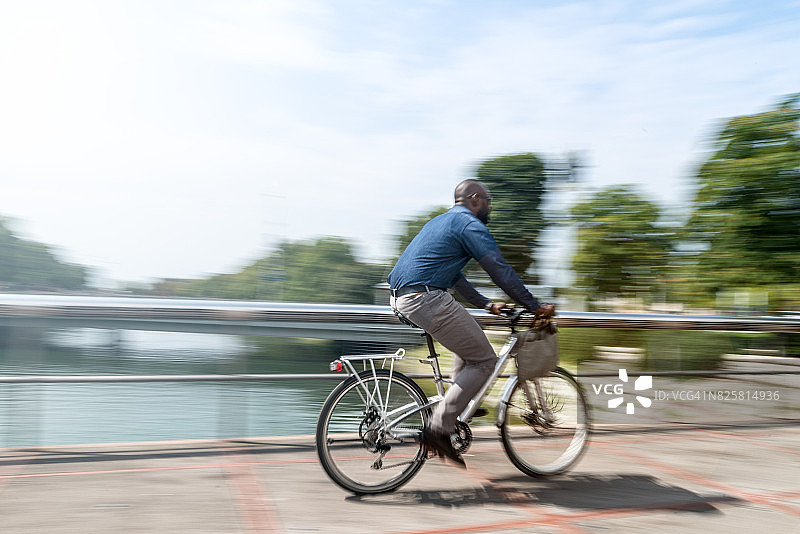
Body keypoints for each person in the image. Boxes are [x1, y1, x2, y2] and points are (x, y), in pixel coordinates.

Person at [388, 178, 554, 467]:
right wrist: (535, 306)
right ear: (475, 199)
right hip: (425, 298)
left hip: (402, 297)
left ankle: (460, 399)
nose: (490, 207)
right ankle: (438, 428)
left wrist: (486, 305)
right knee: (485, 362)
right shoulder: (469, 224)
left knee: (471, 339)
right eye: (488, 201)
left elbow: (455, 277)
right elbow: (499, 270)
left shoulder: (441, 222)